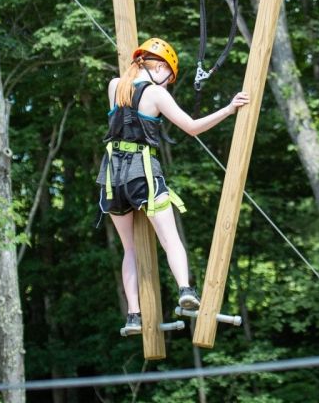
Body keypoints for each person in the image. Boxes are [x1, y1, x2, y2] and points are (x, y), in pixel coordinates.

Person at [97, 37, 249, 332]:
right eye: (170, 78)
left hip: (111, 176)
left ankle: (133, 316)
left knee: (130, 249)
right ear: (162, 68)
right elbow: (191, 128)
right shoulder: (156, 94)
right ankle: (186, 291)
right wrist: (228, 110)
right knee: (170, 238)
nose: (168, 84)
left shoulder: (115, 85)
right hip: (141, 173)